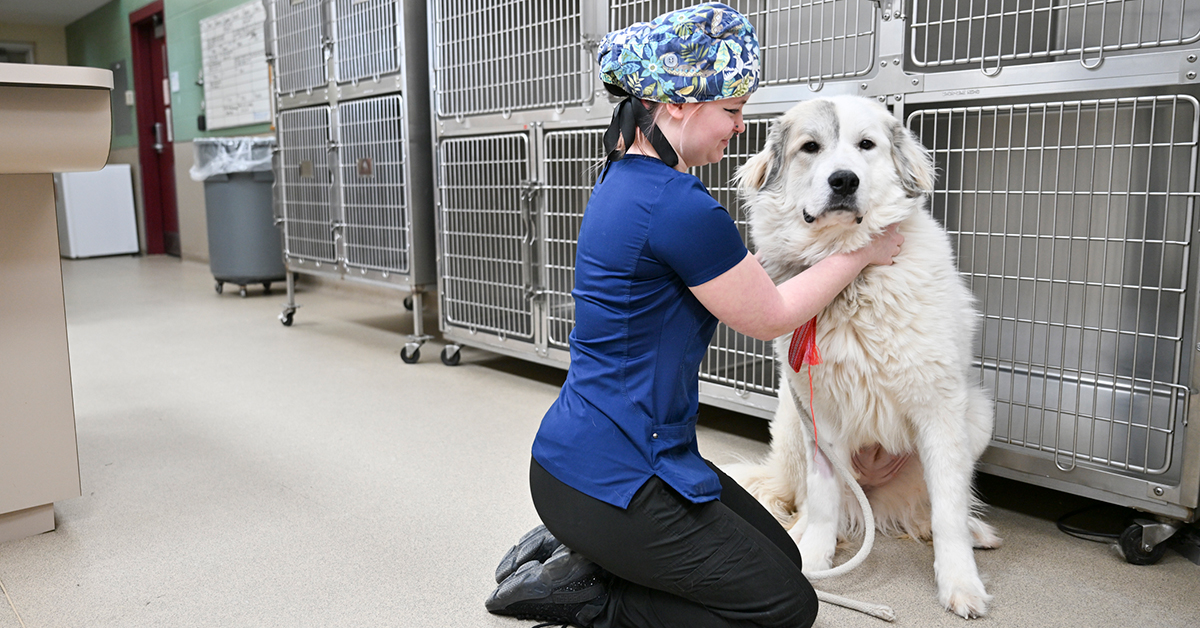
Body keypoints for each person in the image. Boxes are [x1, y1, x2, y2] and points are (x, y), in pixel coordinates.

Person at [485, 4, 904, 627]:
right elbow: (769, 316)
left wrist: (808, 245)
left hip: (585, 460)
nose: (739, 127)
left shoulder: (625, 181)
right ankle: (591, 595)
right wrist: (865, 252)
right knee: (786, 606)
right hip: (616, 479)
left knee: (782, 558)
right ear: (677, 104)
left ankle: (583, 550)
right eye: (731, 110)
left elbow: (733, 281)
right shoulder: (680, 206)